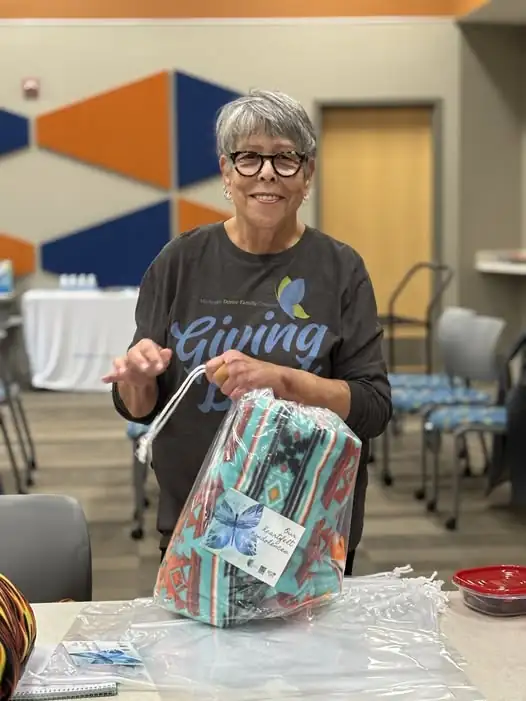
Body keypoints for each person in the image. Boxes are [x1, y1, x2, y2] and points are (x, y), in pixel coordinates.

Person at [104, 89, 392, 575]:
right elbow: (142, 407)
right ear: (226, 171)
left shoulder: (341, 269)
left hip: (305, 521)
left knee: (306, 652)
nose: (266, 172)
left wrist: (283, 382)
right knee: (200, 649)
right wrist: (137, 374)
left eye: (284, 158)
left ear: (307, 175)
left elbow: (372, 407)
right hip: (195, 516)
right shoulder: (180, 261)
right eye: (249, 157)